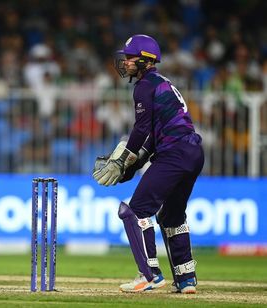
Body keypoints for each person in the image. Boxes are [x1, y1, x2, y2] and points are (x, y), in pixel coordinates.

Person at [92, 35, 204, 294]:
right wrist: (131, 165)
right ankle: (186, 278)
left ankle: (149, 275)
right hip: (193, 152)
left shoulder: (144, 86)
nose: (126, 62)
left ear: (145, 60)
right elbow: (153, 136)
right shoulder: (160, 83)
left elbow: (141, 129)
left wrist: (123, 158)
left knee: (135, 210)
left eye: (130, 58)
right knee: (171, 215)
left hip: (174, 153)